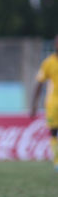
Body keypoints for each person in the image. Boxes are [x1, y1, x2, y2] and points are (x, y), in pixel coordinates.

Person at [30, 34, 58, 170]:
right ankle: (57, 161)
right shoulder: (48, 62)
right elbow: (39, 83)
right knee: (54, 132)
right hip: (53, 104)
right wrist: (34, 104)